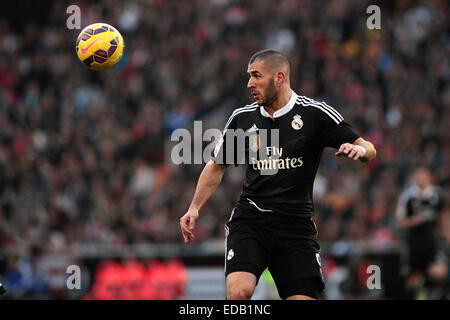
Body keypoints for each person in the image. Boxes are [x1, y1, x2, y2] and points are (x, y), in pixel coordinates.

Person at [180, 49, 376, 300]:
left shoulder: (315, 114)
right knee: (239, 292)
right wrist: (194, 207)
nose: (249, 83)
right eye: (249, 76)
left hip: (296, 226)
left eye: (256, 76)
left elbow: (369, 147)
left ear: (279, 77)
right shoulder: (243, 118)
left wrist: (359, 149)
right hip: (252, 220)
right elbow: (217, 165)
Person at [396, 167, 445, 297]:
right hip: (414, 242)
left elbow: (444, 216)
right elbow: (400, 222)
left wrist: (447, 235)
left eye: (423, 176)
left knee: (438, 272)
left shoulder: (438, 195)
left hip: (432, 241)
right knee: (412, 278)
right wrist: (415, 220)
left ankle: (434, 294)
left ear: (429, 177)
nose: (421, 179)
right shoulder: (407, 197)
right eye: (418, 177)